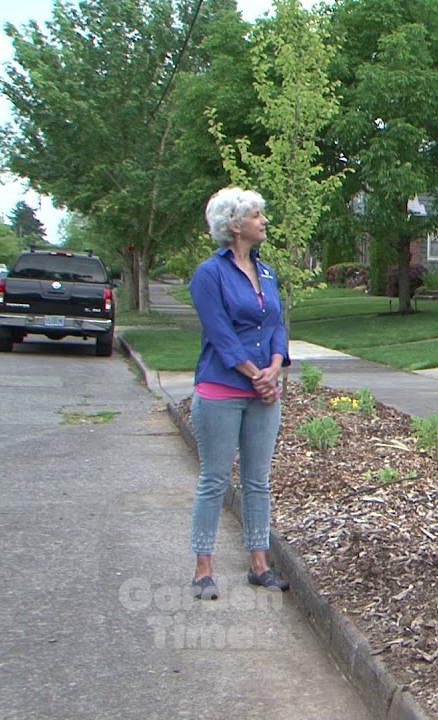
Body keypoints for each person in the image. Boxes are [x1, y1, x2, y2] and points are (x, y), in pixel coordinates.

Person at [188, 187, 291, 600]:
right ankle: (202, 569)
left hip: (263, 390)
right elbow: (221, 335)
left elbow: (277, 325)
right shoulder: (209, 274)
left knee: (257, 481)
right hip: (221, 388)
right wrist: (255, 374)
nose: (263, 221)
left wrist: (275, 365)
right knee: (214, 479)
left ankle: (259, 564)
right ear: (234, 226)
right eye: (255, 215)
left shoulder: (267, 273)